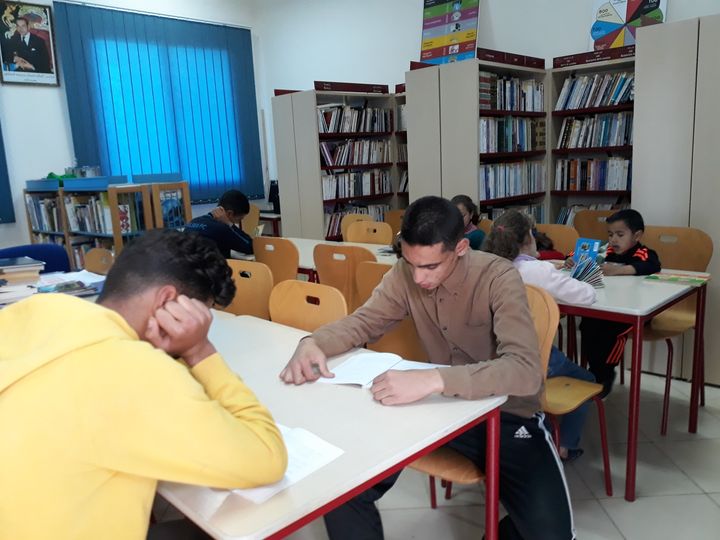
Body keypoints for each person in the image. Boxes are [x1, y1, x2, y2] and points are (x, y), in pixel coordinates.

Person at [280, 196, 575, 540]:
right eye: (410, 263)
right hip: (438, 408)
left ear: (461, 248)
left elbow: (524, 371)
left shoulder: (498, 276)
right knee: (343, 488)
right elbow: (364, 322)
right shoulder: (405, 273)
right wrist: (314, 342)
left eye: (431, 266)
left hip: (507, 414)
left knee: (552, 535)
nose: (418, 277)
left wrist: (433, 379)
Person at [0, 230, 287, 540]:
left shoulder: (37, 310)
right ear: (167, 301)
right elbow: (267, 458)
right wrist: (198, 349)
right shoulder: (133, 371)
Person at [484, 210, 596, 462]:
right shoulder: (538, 271)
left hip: (492, 356)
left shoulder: (486, 266)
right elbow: (587, 296)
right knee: (588, 379)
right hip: (533, 357)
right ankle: (565, 445)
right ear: (528, 238)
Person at [580, 208, 661, 396]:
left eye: (620, 234)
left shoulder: (642, 252)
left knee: (611, 331)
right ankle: (595, 370)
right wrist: (571, 260)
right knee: (587, 324)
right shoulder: (606, 250)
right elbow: (576, 254)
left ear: (637, 235)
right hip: (606, 307)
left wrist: (620, 270)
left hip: (634, 312)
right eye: (610, 234)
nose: (613, 240)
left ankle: (605, 373)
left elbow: (652, 265)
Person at [184, 189, 253, 258]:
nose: (237, 222)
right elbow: (252, 247)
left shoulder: (193, 221)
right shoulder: (222, 228)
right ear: (230, 213)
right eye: (239, 219)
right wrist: (229, 224)